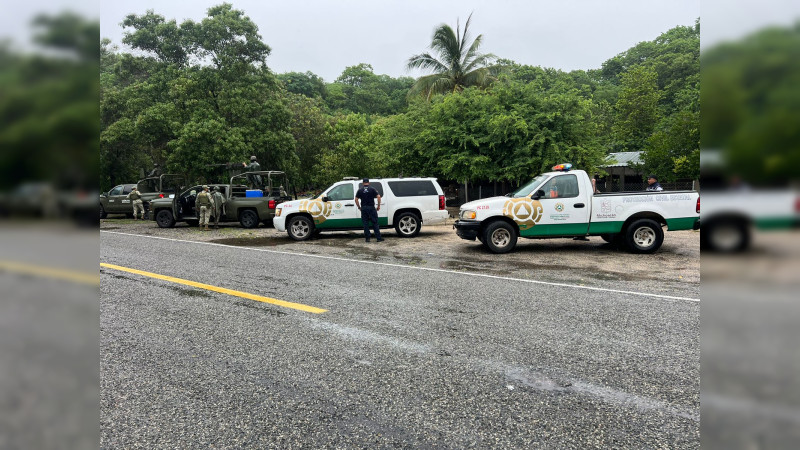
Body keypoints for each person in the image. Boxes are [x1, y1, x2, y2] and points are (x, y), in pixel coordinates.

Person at [355, 178, 383, 242]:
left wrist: (359, 207)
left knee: (365, 224)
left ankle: (367, 239)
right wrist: (378, 206)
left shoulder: (360, 190)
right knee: (375, 223)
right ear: (369, 182)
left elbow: (356, 199)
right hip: (371, 208)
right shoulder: (372, 189)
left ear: (363, 183)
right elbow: (378, 197)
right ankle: (378, 238)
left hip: (364, 208)